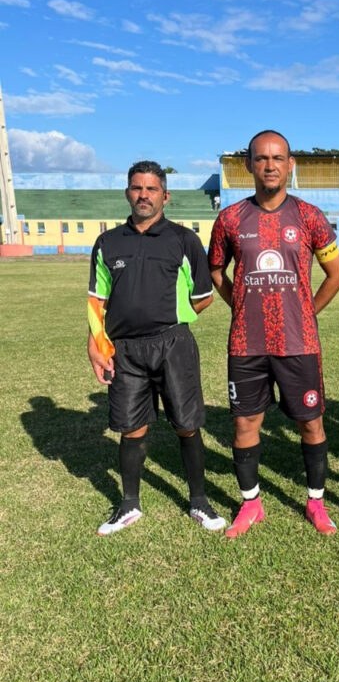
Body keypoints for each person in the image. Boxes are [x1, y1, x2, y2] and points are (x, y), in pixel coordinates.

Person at [208, 130, 339, 538]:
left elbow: (335, 274)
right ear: (249, 165)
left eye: (278, 158)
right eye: (261, 158)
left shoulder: (309, 215)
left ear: (290, 164)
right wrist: (239, 303)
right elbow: (216, 269)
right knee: (245, 424)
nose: (270, 165)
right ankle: (251, 504)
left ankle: (316, 502)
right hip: (246, 343)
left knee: (310, 424)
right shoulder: (230, 218)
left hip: (298, 342)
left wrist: (307, 311)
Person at [87, 160, 224, 535]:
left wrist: (168, 318)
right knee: (131, 429)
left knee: (187, 425)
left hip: (173, 344)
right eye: (136, 188)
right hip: (124, 350)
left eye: (150, 189)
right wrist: (95, 345)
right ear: (127, 193)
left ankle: (199, 501)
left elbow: (203, 297)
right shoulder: (108, 242)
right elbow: (97, 299)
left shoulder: (184, 240)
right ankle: (129, 505)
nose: (143, 195)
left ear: (165, 195)